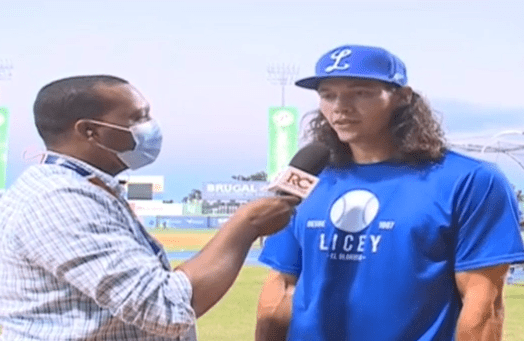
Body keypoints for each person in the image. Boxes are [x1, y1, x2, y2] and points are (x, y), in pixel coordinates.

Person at [255, 45, 524, 341]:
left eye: (360, 92)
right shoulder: (307, 179)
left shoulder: (471, 181)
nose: (340, 106)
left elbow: (483, 305)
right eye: (327, 94)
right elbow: (279, 287)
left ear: (402, 97)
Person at [0, 75, 300, 340]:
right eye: (137, 118)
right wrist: (247, 224)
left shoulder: (84, 187)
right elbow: (164, 308)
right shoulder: (60, 200)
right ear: (90, 131)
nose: (149, 127)